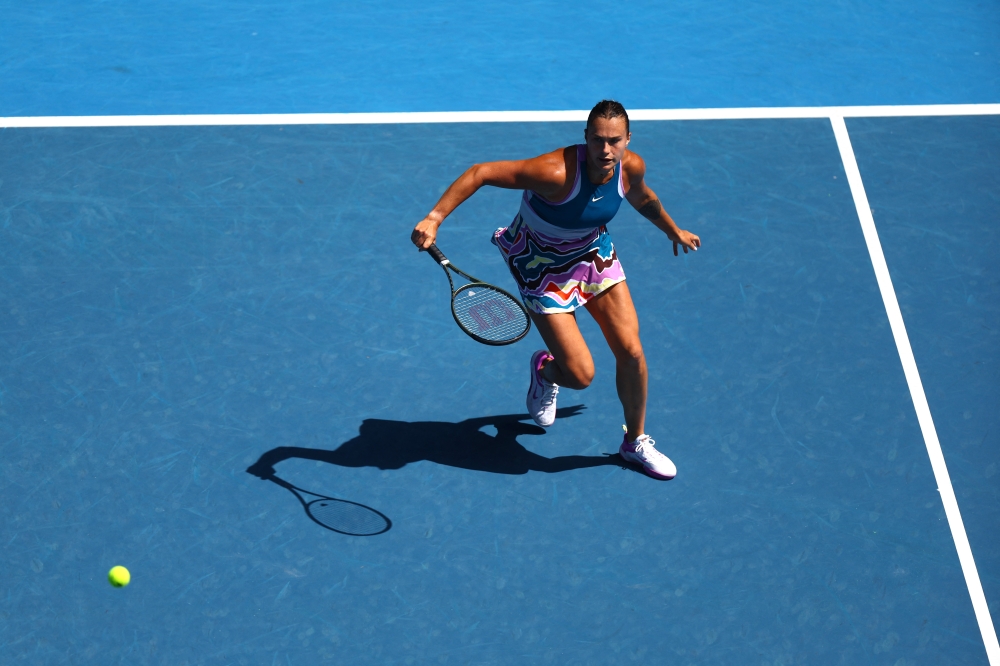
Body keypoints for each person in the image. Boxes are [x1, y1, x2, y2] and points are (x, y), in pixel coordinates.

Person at [410, 100, 700, 480]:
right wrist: (434, 217)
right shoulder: (554, 172)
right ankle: (546, 371)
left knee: (631, 351)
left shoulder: (630, 167)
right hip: (540, 266)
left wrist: (671, 228)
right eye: (598, 140)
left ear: (629, 139)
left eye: (615, 140)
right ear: (585, 139)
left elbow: (642, 198)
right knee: (580, 376)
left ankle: (634, 441)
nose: (606, 150)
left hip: (592, 256)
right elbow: (480, 173)